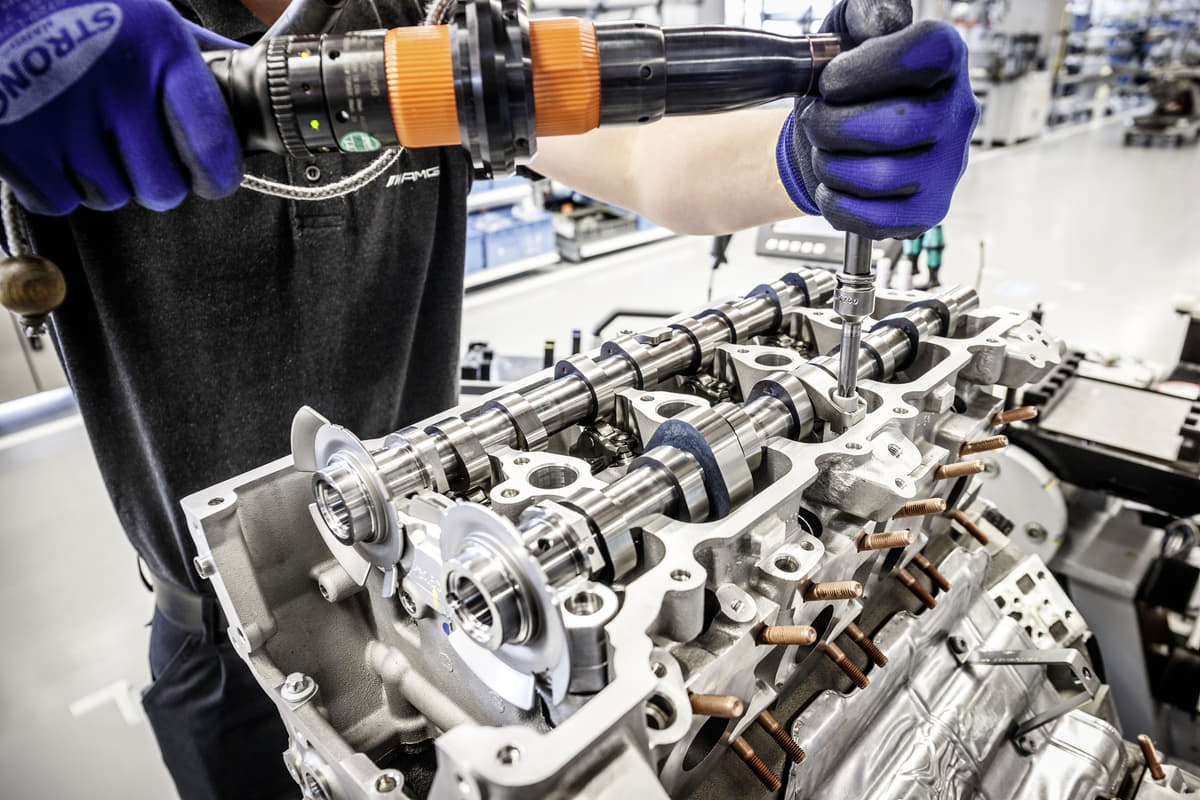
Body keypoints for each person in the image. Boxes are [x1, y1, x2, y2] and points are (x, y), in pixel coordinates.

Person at [0, 0, 978, 797]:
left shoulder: (423, 18)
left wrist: (804, 152)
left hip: (456, 588)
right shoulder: (70, 38)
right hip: (222, 641)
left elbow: (637, 155)